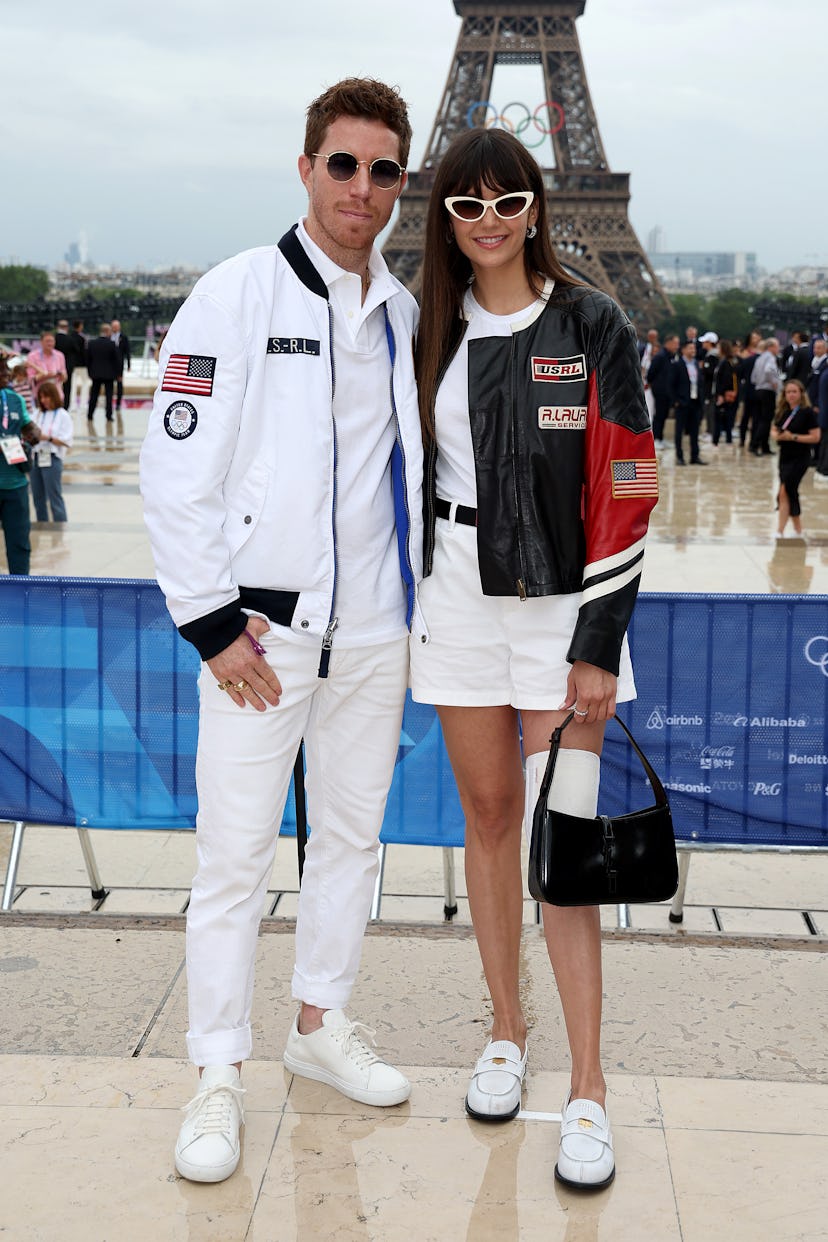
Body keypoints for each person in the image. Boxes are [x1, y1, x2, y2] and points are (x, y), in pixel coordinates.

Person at [139, 77, 423, 1185]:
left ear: (402, 184)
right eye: (343, 164)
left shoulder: (402, 312)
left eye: (383, 170)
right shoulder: (233, 295)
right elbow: (177, 468)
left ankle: (320, 1025)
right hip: (260, 639)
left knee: (352, 843)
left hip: (375, 635)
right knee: (235, 861)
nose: (362, 188)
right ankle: (217, 1069)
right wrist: (212, 628)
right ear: (306, 167)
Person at [411, 126, 658, 1191]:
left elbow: (632, 481)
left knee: (565, 847)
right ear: (447, 219)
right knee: (491, 821)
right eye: (467, 206)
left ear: (537, 204)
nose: (490, 222)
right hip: (458, 596)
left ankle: (590, 1085)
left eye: (507, 200)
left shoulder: (593, 321)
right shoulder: (425, 328)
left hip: (564, 613)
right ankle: (506, 1034)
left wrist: (599, 644)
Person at [0, 355, 39, 574]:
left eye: (7, 371)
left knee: (19, 545)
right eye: (1, 372)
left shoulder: (14, 399)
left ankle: (20, 590)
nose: (6, 375)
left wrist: (34, 433)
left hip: (15, 485)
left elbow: (28, 425)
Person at [770, 379, 820, 538]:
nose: (791, 395)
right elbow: (773, 429)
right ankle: (789, 530)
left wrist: (793, 437)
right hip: (785, 456)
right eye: (788, 392)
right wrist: (777, 435)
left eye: (794, 392)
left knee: (786, 490)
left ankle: (788, 529)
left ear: (801, 394)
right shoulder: (782, 411)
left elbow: (815, 437)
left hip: (800, 457)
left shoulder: (808, 412)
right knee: (786, 492)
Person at [30, 380, 73, 522]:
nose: (44, 401)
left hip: (52, 457)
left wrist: (47, 438)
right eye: (41, 397)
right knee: (37, 497)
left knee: (54, 496)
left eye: (46, 397)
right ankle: (42, 524)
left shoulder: (62, 415)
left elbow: (66, 441)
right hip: (36, 456)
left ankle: (60, 526)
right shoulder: (37, 414)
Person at [670, 339, 706, 465]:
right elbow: (671, 384)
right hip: (682, 402)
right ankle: (680, 457)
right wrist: (675, 401)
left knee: (695, 431)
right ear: (684, 350)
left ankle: (694, 456)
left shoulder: (696, 364)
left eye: (694, 348)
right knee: (679, 431)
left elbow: (700, 383)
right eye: (690, 348)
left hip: (695, 402)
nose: (693, 350)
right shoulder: (677, 364)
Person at [751, 338, 782, 456]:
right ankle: (755, 444)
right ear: (771, 347)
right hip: (767, 391)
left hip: (758, 389)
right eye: (777, 346)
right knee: (766, 419)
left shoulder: (759, 358)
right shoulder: (770, 358)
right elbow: (769, 370)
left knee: (760, 419)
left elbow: (753, 377)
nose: (778, 349)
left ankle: (765, 446)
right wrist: (774, 383)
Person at [85, 323, 121, 428]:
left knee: (94, 395)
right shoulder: (112, 344)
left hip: (95, 374)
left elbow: (88, 359)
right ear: (107, 332)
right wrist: (118, 374)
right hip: (109, 375)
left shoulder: (92, 343)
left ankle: (90, 414)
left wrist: (90, 372)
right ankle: (108, 415)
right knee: (109, 396)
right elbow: (117, 360)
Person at [647, 333, 679, 447]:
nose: (677, 346)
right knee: (659, 415)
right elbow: (650, 374)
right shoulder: (660, 356)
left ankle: (661, 437)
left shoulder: (672, 356)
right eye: (675, 343)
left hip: (668, 391)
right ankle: (655, 439)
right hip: (660, 390)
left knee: (664, 414)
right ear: (668, 343)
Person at [26, 331, 67, 407]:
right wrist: (46, 376)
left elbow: (64, 377)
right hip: (41, 396)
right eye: (47, 341)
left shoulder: (60, 355)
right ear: (41, 342)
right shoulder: (32, 356)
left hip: (57, 394)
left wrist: (61, 375)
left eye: (52, 341)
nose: (50, 343)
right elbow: (30, 380)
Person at [712, 340, 739, 445]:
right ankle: (727, 438)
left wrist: (721, 394)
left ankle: (717, 440)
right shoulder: (725, 361)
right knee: (725, 417)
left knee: (720, 417)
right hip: (722, 393)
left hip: (723, 395)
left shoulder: (726, 362)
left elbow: (725, 380)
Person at [110, 319, 131, 414]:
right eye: (113, 326)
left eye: (116, 326)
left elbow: (127, 352)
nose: (114, 328)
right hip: (109, 365)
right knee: (109, 385)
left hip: (119, 365)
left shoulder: (124, 337)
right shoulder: (109, 336)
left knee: (119, 385)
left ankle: (118, 404)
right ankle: (109, 403)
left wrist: (129, 365)